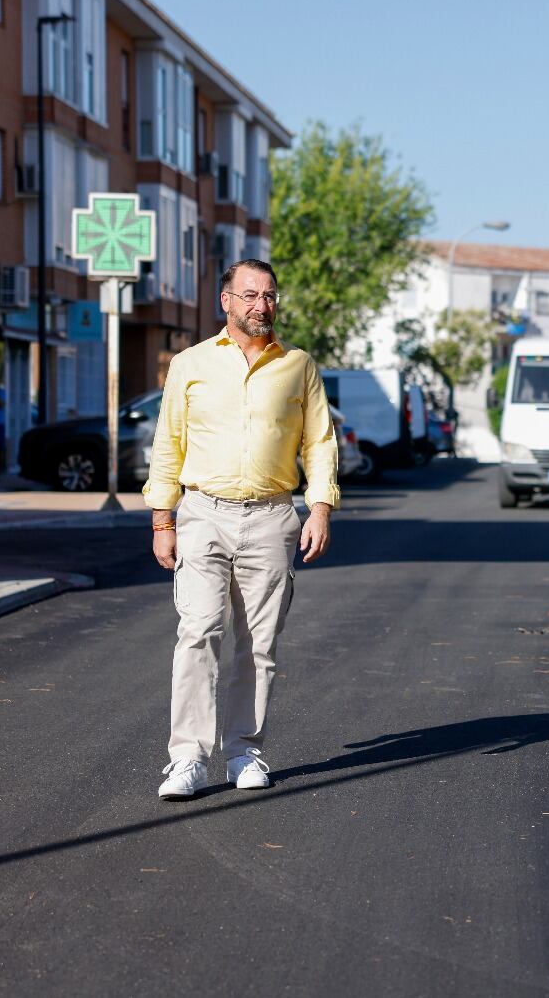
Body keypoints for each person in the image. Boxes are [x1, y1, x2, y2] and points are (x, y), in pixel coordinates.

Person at [143, 259, 340, 801]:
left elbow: (319, 443)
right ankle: (186, 759)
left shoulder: (298, 366)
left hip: (273, 515)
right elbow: (168, 443)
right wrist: (162, 518)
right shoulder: (190, 364)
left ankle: (243, 751)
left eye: (270, 295)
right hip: (202, 512)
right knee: (199, 631)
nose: (261, 305)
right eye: (250, 295)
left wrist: (318, 507)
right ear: (225, 301)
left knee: (258, 644)